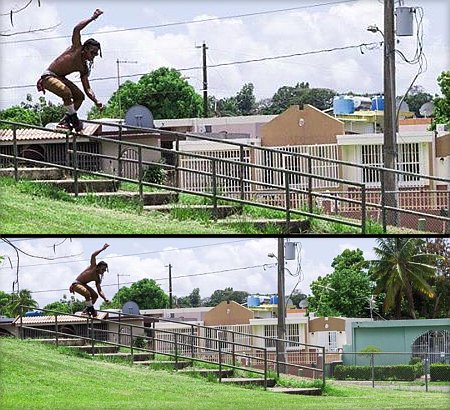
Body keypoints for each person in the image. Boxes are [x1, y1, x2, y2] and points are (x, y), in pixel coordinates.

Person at [37, 9, 104, 132]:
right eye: (92, 52)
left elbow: (87, 88)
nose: (94, 55)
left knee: (80, 96)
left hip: (61, 79)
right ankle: (74, 118)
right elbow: (77, 29)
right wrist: (92, 18)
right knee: (66, 92)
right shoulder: (76, 48)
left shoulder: (84, 67)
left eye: (96, 54)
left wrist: (96, 101)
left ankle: (66, 121)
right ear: (85, 49)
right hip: (48, 77)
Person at [70, 243, 110, 317]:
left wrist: (105, 298)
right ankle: (91, 309)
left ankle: (86, 310)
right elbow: (93, 255)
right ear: (98, 267)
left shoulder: (97, 278)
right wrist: (102, 249)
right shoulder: (93, 267)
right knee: (87, 294)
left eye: (105, 270)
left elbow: (100, 291)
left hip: (84, 285)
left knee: (95, 296)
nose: (103, 271)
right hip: (76, 284)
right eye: (103, 269)